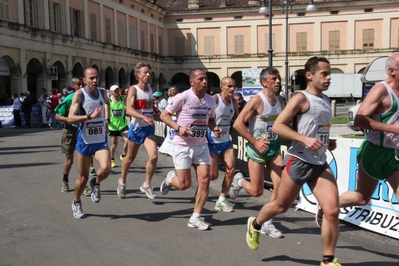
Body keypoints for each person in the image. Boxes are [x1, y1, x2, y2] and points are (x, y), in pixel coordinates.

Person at [245, 56, 341, 266]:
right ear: (309, 75)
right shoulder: (300, 98)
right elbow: (278, 126)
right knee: (280, 206)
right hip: (298, 161)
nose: (329, 77)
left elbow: (316, 129)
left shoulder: (325, 99)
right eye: (324, 73)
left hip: (319, 162)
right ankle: (256, 224)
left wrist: (326, 141)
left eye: (329, 73)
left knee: (332, 210)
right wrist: (304, 139)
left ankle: (328, 260)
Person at [317, 52, 399, 230]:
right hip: (374, 152)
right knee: (361, 198)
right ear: (392, 71)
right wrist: (393, 129)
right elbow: (359, 119)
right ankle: (327, 205)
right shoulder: (381, 90)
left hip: (395, 155)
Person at [159, 68, 222, 230]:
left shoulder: (211, 100)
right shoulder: (183, 97)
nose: (205, 82)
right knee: (184, 185)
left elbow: (211, 120)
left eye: (206, 79)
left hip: (201, 145)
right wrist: (178, 128)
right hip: (183, 145)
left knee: (205, 180)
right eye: (201, 79)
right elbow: (164, 115)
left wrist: (214, 128)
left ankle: (195, 217)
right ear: (192, 82)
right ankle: (170, 180)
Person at [231, 67, 285, 238]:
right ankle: (239, 181)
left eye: (278, 79)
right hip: (257, 150)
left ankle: (268, 223)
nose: (278, 81)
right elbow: (238, 124)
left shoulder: (281, 101)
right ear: (264, 82)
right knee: (257, 191)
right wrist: (255, 141)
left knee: (279, 185)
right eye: (274, 79)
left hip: (274, 149)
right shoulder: (256, 101)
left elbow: (284, 125)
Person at [68, 67, 111, 219]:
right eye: (91, 78)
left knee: (106, 168)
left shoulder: (103, 92)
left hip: (100, 140)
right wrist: (89, 116)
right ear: (84, 80)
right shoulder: (79, 95)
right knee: (82, 178)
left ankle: (96, 182)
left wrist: (106, 119)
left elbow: (106, 104)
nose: (95, 80)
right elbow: (71, 118)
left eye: (96, 77)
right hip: (84, 141)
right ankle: (77, 202)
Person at [117, 62, 158, 199]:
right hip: (136, 128)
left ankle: (146, 184)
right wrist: (143, 117)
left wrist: (157, 112)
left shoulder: (151, 89)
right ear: (138, 75)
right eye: (145, 72)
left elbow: (150, 107)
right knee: (130, 158)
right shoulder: (133, 89)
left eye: (149, 72)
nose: (148, 75)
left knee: (153, 156)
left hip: (148, 129)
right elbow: (128, 110)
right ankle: (122, 182)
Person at [206, 76, 239, 212]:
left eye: (234, 86)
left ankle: (221, 199)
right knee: (213, 175)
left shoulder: (234, 102)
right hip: (211, 141)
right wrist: (213, 128)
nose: (232, 89)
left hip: (226, 140)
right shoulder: (214, 100)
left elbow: (238, 119)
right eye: (229, 86)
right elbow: (205, 118)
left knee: (230, 170)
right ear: (222, 87)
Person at [55, 77, 92, 196]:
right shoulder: (70, 98)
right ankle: (65, 180)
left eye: (82, 84)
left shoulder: (88, 97)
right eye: (78, 85)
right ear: (73, 86)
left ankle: (83, 184)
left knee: (84, 160)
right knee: (69, 161)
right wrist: (71, 120)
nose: (81, 87)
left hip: (84, 131)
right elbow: (57, 116)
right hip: (70, 130)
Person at [108, 85, 129, 167]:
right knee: (114, 145)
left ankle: (123, 155)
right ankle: (112, 158)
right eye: (115, 90)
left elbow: (127, 108)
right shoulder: (109, 102)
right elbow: (106, 113)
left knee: (128, 140)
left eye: (117, 90)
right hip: (113, 126)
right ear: (111, 92)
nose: (117, 91)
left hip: (122, 124)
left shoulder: (122, 99)